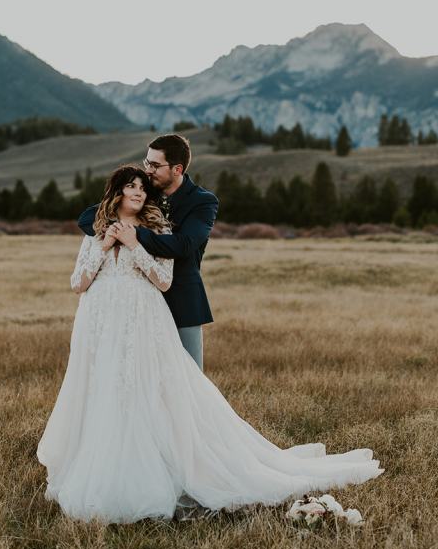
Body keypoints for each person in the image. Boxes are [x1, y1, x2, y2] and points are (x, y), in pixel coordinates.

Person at [37, 164, 384, 525]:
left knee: (141, 389)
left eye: (143, 187)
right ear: (117, 192)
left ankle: (153, 471)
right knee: (102, 391)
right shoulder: (94, 231)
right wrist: (106, 243)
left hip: (141, 321)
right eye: (131, 187)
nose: (139, 192)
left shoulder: (157, 229)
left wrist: (134, 244)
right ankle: (99, 465)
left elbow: (164, 280)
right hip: (100, 323)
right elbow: (78, 282)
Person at [77, 133, 217, 372]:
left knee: (189, 380)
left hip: (182, 298)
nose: (148, 170)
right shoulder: (144, 192)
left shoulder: (202, 202)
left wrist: (134, 232)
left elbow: (182, 245)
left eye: (154, 165)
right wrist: (117, 225)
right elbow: (88, 218)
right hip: (139, 302)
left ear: (177, 169)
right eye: (146, 162)